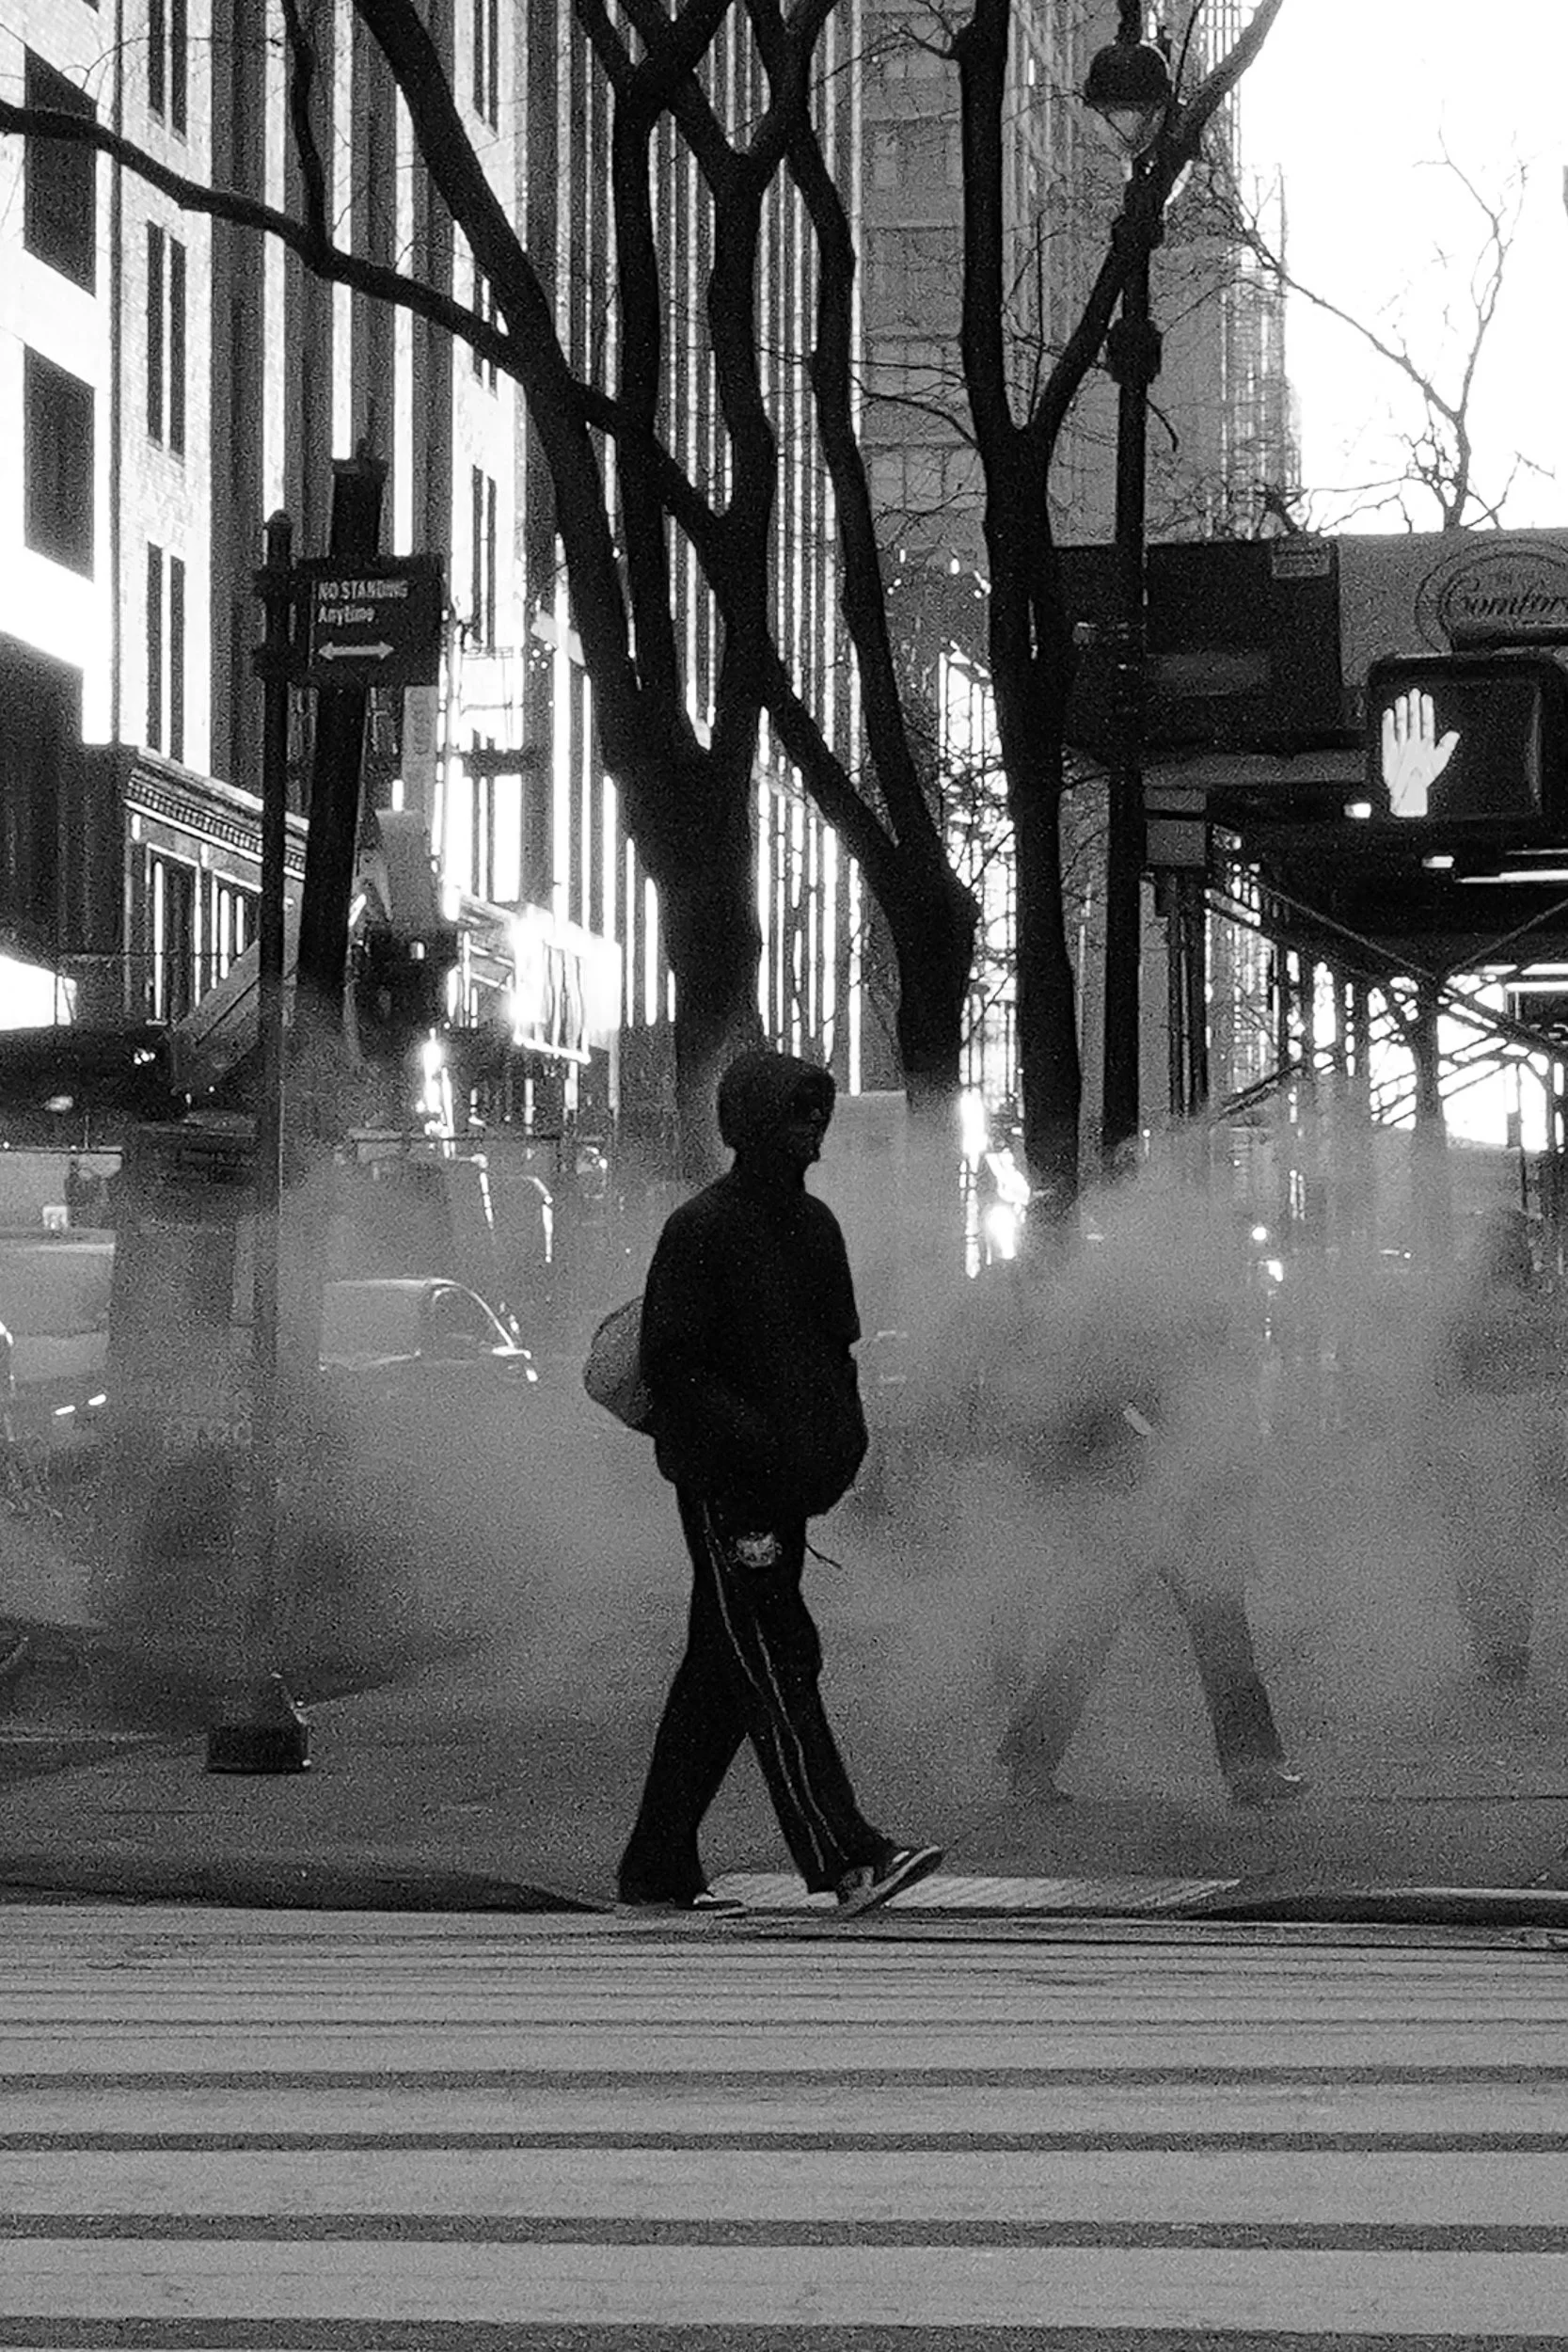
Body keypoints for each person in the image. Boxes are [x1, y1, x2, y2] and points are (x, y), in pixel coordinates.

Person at [616, 1047, 943, 1917]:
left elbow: (837, 1351)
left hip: (781, 1482)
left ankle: (655, 1863)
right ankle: (846, 1855)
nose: (812, 1130)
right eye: (796, 1113)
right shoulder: (703, 1228)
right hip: (730, 1487)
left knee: (725, 1669)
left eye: (816, 1112)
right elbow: (671, 1363)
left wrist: (841, 1445)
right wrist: (759, 1445)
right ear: (749, 1124)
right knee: (773, 1654)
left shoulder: (811, 1227)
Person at [958, 1216, 1306, 1810]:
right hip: (1139, 1503)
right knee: (1105, 1632)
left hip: (1184, 1503)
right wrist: (1159, 1449)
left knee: (1212, 1636)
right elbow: (1116, 1407)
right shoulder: (1144, 1332)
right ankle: (1033, 1762)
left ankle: (1250, 1767)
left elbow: (1225, 1423)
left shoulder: (1201, 1332)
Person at [1431, 1208, 1568, 1685]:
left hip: (1493, 1438)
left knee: (1491, 1548)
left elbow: (1444, 1377)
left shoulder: (1476, 1309)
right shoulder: (1527, 1308)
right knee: (1502, 1548)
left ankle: (1500, 1642)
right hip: (1496, 1438)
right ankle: (1503, 1643)